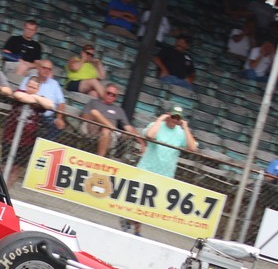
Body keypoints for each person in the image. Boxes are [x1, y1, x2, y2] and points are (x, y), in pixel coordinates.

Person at [126, 106, 198, 235]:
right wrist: (160, 119)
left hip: (165, 173)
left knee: (150, 204)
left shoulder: (181, 133)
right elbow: (149, 135)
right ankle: (134, 227)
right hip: (147, 168)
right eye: (173, 116)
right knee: (138, 200)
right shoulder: (156, 125)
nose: (174, 120)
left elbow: (193, 148)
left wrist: (185, 127)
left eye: (178, 118)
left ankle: (132, 224)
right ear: (168, 115)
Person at [2, 76, 54, 184]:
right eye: (29, 86)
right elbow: (20, 97)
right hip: (10, 136)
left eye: (34, 88)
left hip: (27, 141)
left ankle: (6, 190)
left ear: (38, 89)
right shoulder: (20, 91)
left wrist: (34, 97)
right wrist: (36, 99)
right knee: (4, 166)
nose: (30, 89)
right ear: (26, 86)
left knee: (17, 168)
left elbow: (50, 105)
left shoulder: (41, 99)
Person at [80, 83, 143, 158]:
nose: (110, 96)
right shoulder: (94, 102)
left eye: (113, 95)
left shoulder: (119, 110)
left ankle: (99, 159)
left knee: (106, 130)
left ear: (116, 97)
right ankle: (116, 130)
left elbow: (129, 127)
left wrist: (142, 143)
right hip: (92, 127)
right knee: (95, 112)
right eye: (108, 93)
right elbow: (84, 116)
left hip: (109, 134)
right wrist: (99, 119)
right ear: (104, 92)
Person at [20, 59, 66, 140]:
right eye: (44, 68)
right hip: (30, 112)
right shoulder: (28, 79)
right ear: (38, 68)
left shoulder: (54, 84)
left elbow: (61, 103)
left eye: (49, 69)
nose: (46, 70)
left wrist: (59, 118)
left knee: (57, 126)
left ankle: (40, 147)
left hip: (46, 117)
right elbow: (21, 94)